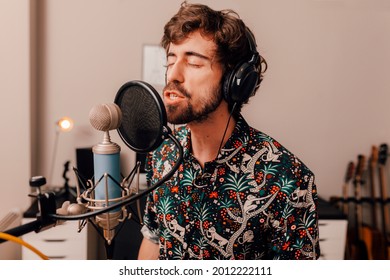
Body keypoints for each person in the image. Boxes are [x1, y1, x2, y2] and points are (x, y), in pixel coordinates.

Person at [138, 1, 320, 260]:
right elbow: (154, 239)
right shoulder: (162, 153)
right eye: (170, 60)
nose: (173, 76)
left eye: (194, 63)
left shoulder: (287, 177)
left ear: (234, 81)